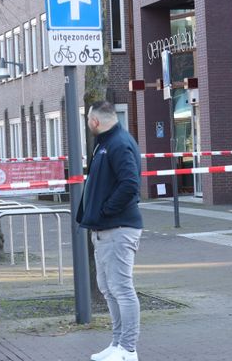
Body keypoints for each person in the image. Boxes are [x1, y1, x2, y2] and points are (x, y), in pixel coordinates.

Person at [77, 101, 143, 361]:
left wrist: (105, 211)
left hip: (118, 228)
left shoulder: (118, 144)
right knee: (109, 287)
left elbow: (130, 184)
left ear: (95, 121)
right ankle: (117, 344)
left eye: (88, 121)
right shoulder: (106, 143)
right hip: (106, 229)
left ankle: (128, 348)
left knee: (122, 288)